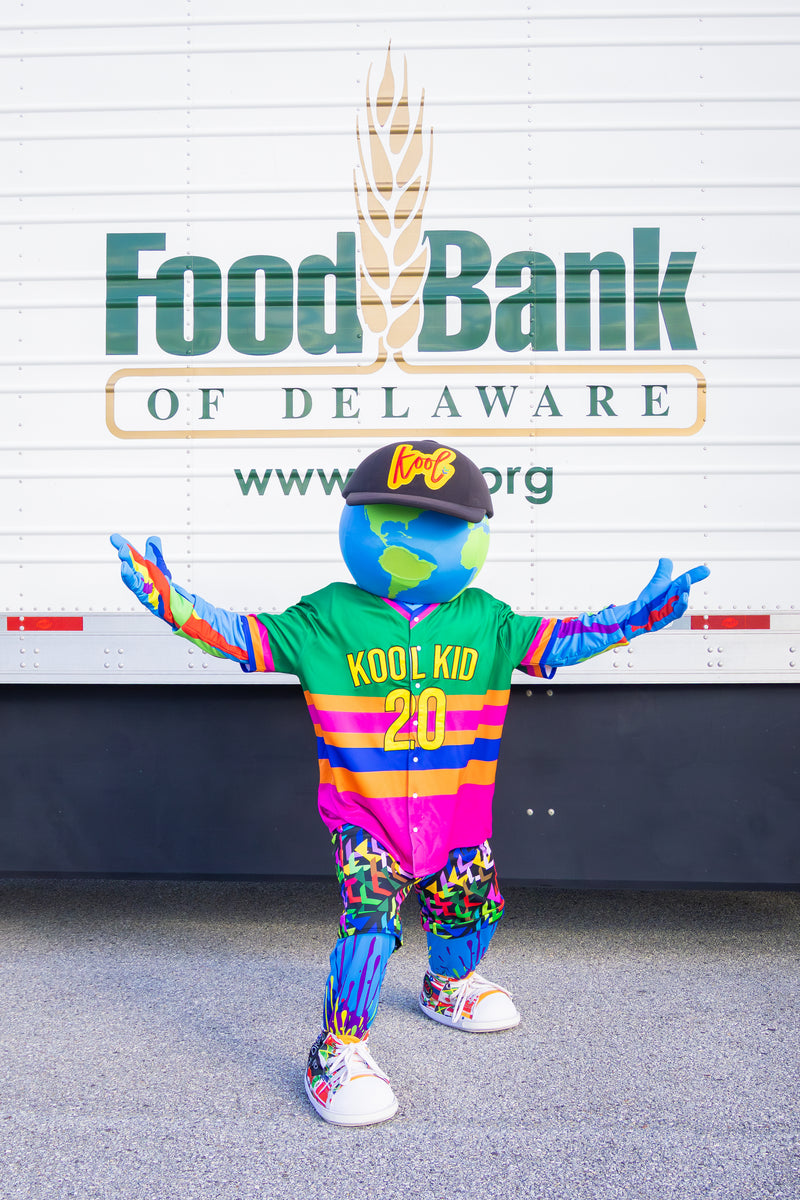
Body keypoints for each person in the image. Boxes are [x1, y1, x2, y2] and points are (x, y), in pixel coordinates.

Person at [110, 438, 709, 1127]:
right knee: (368, 924)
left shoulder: (486, 620)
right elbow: (241, 637)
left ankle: (447, 984)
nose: (418, 539)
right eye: (399, 520)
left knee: (469, 905)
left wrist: (638, 617)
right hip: (367, 820)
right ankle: (337, 1048)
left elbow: (566, 638)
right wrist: (172, 602)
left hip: (457, 819)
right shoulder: (328, 617)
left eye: (440, 525)